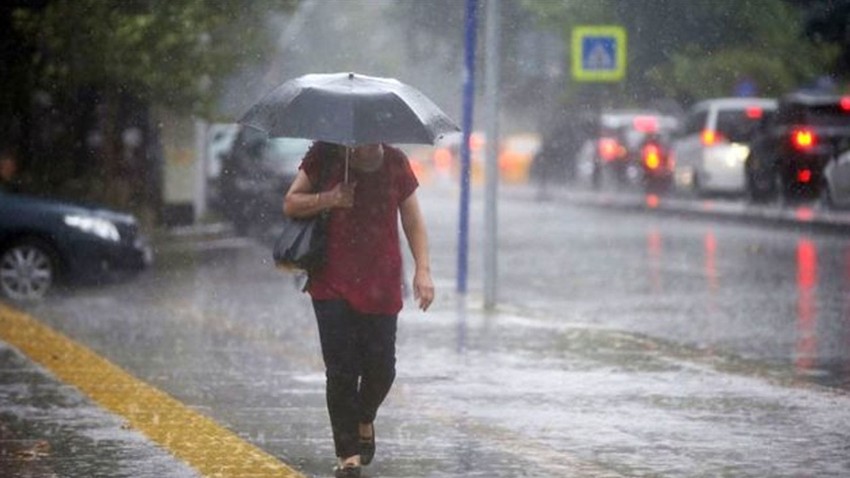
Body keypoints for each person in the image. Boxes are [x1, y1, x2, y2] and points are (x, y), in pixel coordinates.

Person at [283, 141, 434, 478]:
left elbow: (412, 220)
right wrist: (331, 198)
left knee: (382, 369)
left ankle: (364, 417)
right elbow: (291, 203)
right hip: (331, 281)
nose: (367, 142)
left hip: (381, 281)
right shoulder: (325, 155)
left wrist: (422, 269)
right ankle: (347, 454)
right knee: (341, 371)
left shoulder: (395, 162)